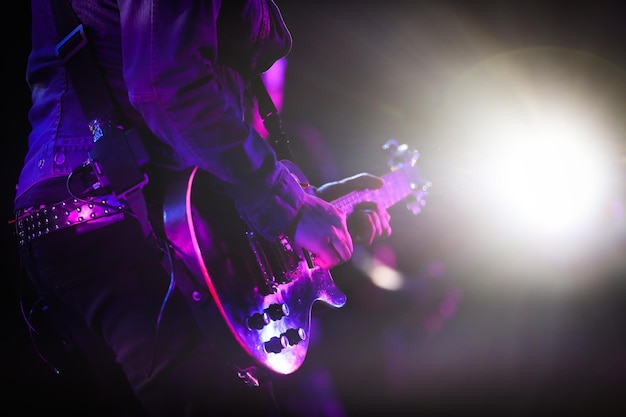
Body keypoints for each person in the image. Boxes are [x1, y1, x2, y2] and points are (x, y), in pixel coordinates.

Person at [13, 1, 392, 416]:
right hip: (130, 220)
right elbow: (170, 87)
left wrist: (306, 201)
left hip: (80, 215)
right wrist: (291, 207)